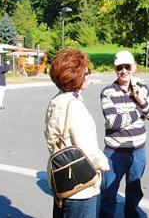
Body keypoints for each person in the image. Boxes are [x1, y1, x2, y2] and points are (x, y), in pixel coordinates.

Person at [44, 48, 109, 218]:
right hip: (81, 186)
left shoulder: (57, 100)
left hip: (62, 180)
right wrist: (103, 164)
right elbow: (87, 150)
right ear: (76, 77)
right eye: (87, 72)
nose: (89, 75)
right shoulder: (74, 106)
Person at [100, 50, 149, 218]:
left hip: (138, 150)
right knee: (108, 195)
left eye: (127, 66)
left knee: (134, 193)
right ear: (115, 69)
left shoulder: (143, 88)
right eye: (120, 67)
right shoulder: (108, 92)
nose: (124, 71)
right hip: (115, 152)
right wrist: (139, 110)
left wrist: (141, 101)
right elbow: (114, 122)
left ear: (134, 67)